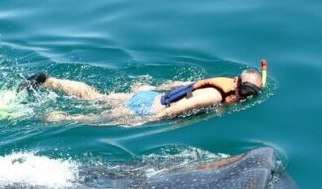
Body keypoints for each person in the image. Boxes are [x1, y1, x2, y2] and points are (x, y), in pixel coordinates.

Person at [17, 68, 263, 125]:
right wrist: (151, 122)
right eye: (247, 92)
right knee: (96, 119)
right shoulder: (213, 95)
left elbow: (182, 85)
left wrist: (152, 87)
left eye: (253, 94)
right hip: (149, 109)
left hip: (149, 96)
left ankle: (50, 82)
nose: (247, 97)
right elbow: (183, 107)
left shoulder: (225, 82)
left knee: (95, 97)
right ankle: (56, 117)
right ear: (238, 84)